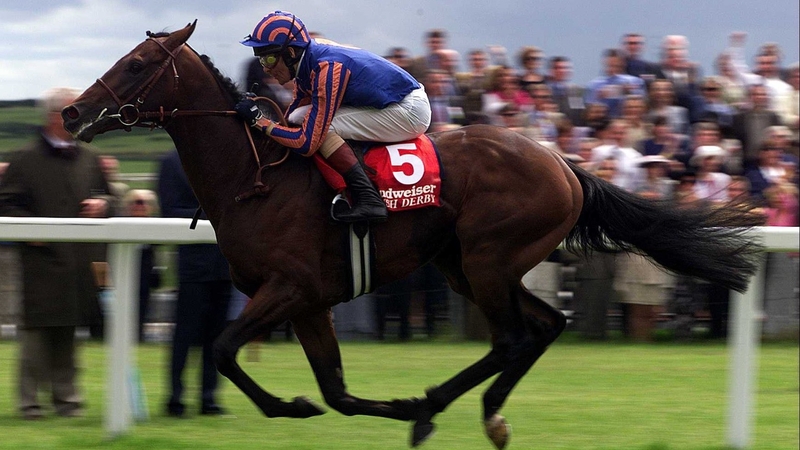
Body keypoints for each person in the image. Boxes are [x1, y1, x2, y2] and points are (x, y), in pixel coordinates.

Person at [235, 11, 431, 223]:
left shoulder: (326, 69)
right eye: (260, 59)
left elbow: (307, 143)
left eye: (269, 58)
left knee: (323, 129)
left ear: (290, 53)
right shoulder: (307, 56)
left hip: (409, 111)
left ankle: (369, 199)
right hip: (393, 99)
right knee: (298, 117)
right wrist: (268, 122)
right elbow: (291, 116)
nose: (265, 68)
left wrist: (260, 122)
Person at [0, 87, 115, 420]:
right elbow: (6, 205)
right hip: (41, 262)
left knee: (69, 335)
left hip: (79, 264)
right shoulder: (24, 159)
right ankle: (30, 404)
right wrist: (34, 233)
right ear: (54, 117)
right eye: (72, 111)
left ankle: (68, 403)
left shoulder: (91, 158)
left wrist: (102, 205)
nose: (79, 118)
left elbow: (111, 200)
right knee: (35, 337)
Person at [158, 148, 232, 417]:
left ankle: (209, 399)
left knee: (218, 336)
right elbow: (169, 211)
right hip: (192, 264)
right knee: (185, 335)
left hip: (225, 263)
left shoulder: (226, 157)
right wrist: (217, 213)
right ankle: (175, 398)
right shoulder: (171, 162)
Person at [121, 189, 162, 342]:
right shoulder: (122, 223)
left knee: (143, 304)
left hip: (144, 272)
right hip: (125, 270)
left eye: (144, 203)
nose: (140, 206)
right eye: (137, 203)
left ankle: (138, 335)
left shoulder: (154, 225)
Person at [584, 48, 646, 118]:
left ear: (623, 65)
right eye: (609, 66)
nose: (613, 70)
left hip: (627, 121)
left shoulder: (635, 82)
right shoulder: (594, 85)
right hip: (602, 122)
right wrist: (598, 98)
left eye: (616, 66)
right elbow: (588, 113)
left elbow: (643, 107)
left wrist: (630, 93)